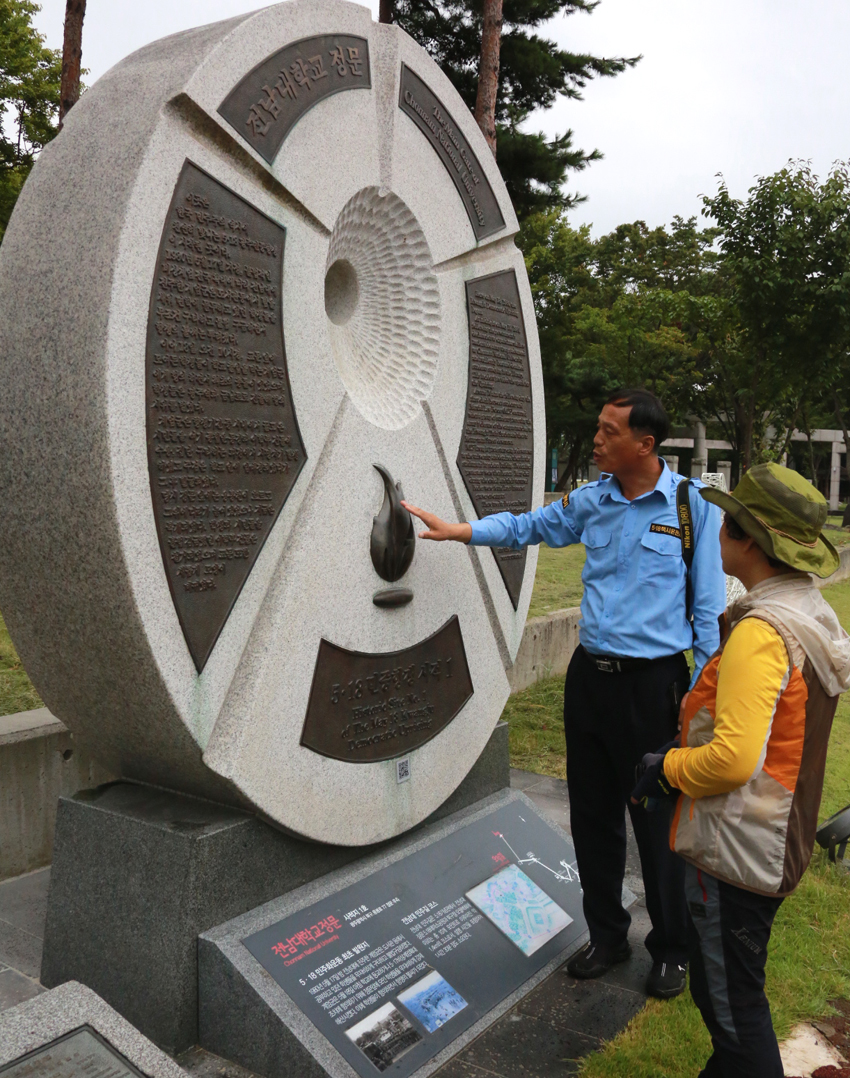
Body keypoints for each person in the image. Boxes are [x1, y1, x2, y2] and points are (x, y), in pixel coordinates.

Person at [403, 387, 726, 998]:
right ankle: (607, 935)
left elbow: (708, 611)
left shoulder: (691, 507)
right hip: (591, 680)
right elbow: (530, 527)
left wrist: (700, 700)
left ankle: (672, 948)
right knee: (593, 815)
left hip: (655, 685)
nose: (597, 439)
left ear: (644, 444)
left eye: (608, 432)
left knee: (656, 822)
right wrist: (462, 530)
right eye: (599, 429)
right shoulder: (593, 500)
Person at [631, 463, 850, 1076]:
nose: (715, 534)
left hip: (740, 853)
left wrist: (666, 767)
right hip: (777, 839)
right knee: (731, 999)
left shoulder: (761, 632)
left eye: (724, 524)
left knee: (734, 1015)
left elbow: (732, 759)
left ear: (747, 540)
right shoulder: (807, 608)